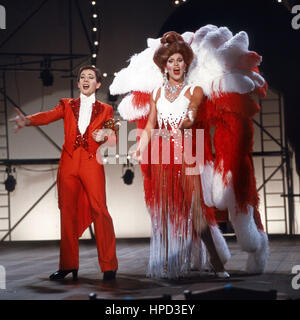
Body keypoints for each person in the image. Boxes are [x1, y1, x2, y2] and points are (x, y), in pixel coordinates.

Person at [132, 32, 229, 279]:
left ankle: (217, 263)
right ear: (164, 66)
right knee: (166, 212)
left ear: (186, 62)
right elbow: (151, 124)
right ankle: (168, 263)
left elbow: (193, 111)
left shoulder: (194, 90)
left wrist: (189, 120)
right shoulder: (156, 93)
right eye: (171, 61)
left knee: (197, 212)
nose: (175, 65)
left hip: (187, 154)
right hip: (163, 156)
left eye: (179, 60)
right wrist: (140, 147)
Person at [9, 65, 118, 281]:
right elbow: (48, 116)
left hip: (90, 162)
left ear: (97, 84)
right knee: (67, 211)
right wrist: (27, 120)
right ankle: (68, 265)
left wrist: (104, 135)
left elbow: (114, 136)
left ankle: (108, 265)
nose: (86, 80)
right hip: (68, 162)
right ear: (78, 83)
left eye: (91, 77)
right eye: (82, 77)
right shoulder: (67, 105)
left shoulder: (106, 109)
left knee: (100, 210)